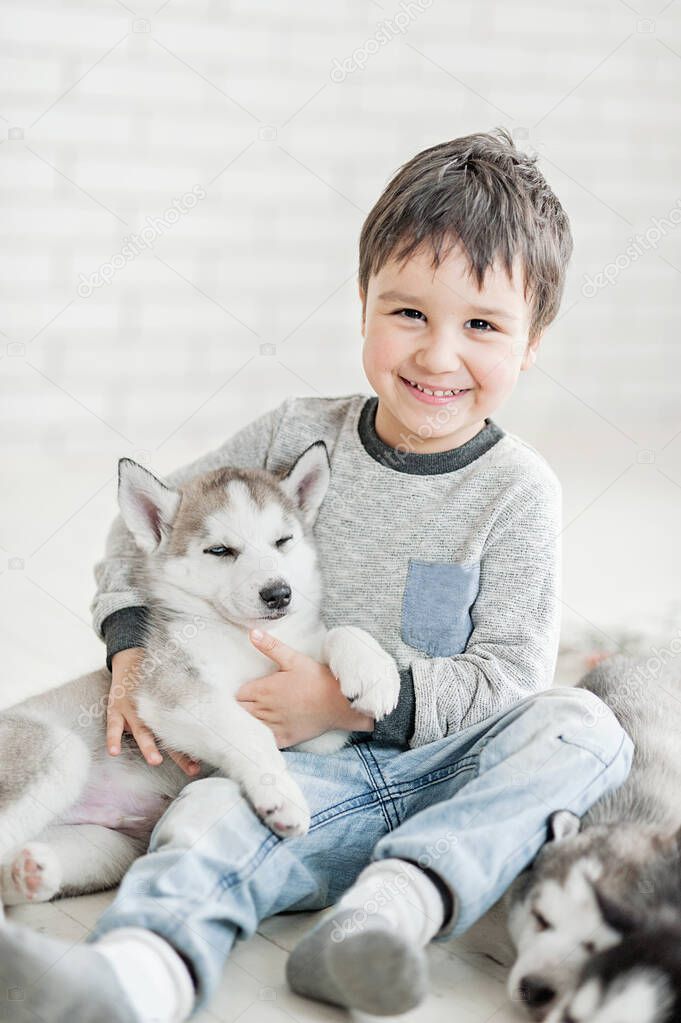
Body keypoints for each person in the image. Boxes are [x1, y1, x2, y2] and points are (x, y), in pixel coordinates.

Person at [0, 127, 634, 1022]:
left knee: (584, 725)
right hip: (279, 783)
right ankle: (132, 978)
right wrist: (130, 643)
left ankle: (382, 918)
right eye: (408, 311)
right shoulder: (293, 429)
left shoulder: (516, 492)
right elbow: (144, 526)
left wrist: (347, 702)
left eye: (481, 325)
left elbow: (511, 682)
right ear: (363, 305)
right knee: (204, 831)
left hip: (436, 774)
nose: (437, 355)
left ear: (530, 345)